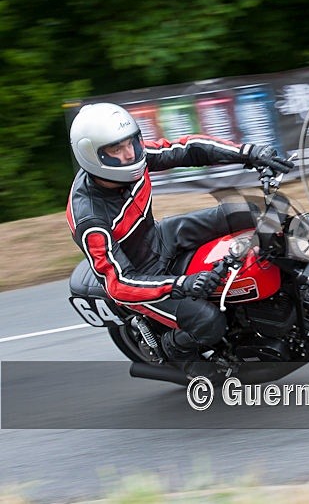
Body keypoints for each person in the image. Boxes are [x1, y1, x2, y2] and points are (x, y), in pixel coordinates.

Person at [66, 102, 293, 376]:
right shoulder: (90, 218)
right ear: (93, 156)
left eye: (131, 142)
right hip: (140, 277)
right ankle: (177, 350)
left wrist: (250, 153)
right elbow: (118, 284)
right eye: (116, 149)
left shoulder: (135, 156)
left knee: (247, 210)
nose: (129, 153)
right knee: (209, 322)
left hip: (159, 238)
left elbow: (188, 149)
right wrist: (181, 284)